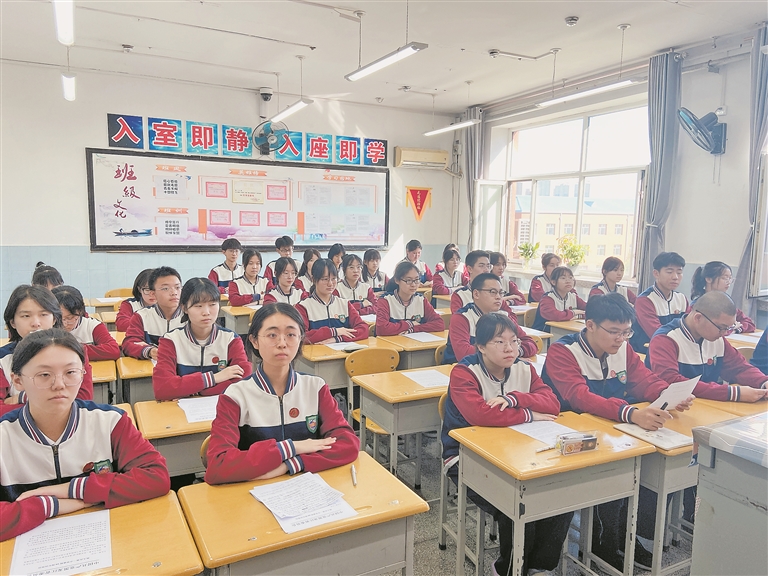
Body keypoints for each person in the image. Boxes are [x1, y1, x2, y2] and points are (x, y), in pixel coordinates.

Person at [542, 293, 693, 570]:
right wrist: (631, 413)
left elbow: (643, 379)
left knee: (648, 467)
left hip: (610, 426)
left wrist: (667, 393)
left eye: (626, 332)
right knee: (614, 476)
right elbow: (579, 397)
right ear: (590, 325)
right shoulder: (563, 351)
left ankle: (625, 537)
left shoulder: (623, 349)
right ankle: (603, 545)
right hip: (565, 435)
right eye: (614, 332)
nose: (621, 339)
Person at [0, 329, 170, 542]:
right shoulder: (4, 436)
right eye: (44, 375)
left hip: (105, 541)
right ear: (17, 381)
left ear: (83, 374)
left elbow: (156, 477)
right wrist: (48, 505)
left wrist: (72, 490)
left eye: (70, 372)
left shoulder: (110, 421)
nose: (59, 384)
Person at [441, 313, 571, 576]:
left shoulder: (524, 368)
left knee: (560, 495)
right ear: (480, 346)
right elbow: (480, 415)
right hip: (466, 457)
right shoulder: (465, 372)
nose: (510, 348)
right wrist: (529, 414)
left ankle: (539, 566)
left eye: (514, 341)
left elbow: (552, 404)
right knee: (516, 504)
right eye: (499, 342)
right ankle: (508, 569)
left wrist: (515, 399)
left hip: (518, 453)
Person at [204, 303, 360, 484]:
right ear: (254, 340)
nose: (282, 343)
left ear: (301, 339)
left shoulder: (315, 387)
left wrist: (292, 464)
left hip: (308, 487)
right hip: (253, 490)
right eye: (272, 335)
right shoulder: (236, 396)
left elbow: (348, 444)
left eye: (291, 335)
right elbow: (218, 465)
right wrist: (291, 448)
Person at [647, 291, 768, 402]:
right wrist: (731, 393)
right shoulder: (666, 339)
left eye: (729, 328)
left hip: (705, 404)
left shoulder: (716, 338)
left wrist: (763, 381)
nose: (724, 333)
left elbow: (739, 367)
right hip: (669, 408)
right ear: (698, 318)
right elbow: (673, 382)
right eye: (722, 327)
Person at [1, 285, 94, 416]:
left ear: (54, 319)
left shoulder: (74, 351)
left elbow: (82, 401)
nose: (36, 323)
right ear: (12, 322)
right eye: (26, 316)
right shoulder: (2, 359)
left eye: (43, 314)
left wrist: (23, 398)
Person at [153, 278, 251, 401]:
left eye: (212, 304)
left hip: (220, 406)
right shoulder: (170, 341)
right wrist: (214, 378)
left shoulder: (230, 339)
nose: (206, 312)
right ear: (184, 308)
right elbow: (162, 388)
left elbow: (243, 381)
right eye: (198, 306)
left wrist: (195, 391)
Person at [445, 273, 538, 363]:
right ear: (476, 294)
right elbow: (464, 353)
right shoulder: (462, 317)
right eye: (493, 292)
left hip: (499, 368)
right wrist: (506, 355)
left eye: (501, 293)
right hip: (463, 368)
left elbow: (531, 343)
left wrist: (515, 354)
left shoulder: (504, 316)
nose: (498, 297)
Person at [296, 259, 369, 344]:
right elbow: (301, 336)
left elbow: (363, 329)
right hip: (317, 352)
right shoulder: (303, 307)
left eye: (334, 279)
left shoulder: (344, 304)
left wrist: (338, 338)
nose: (330, 284)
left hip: (343, 351)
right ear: (314, 280)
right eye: (325, 279)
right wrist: (334, 332)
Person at [121, 267, 185, 360]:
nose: (174, 292)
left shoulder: (190, 315)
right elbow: (129, 344)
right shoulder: (141, 316)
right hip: (152, 366)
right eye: (165, 288)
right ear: (153, 294)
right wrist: (150, 351)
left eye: (177, 287)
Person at [630, 251, 688, 351]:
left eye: (679, 272)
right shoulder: (645, 300)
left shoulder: (681, 298)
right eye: (669, 272)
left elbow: (689, 328)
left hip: (675, 350)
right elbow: (657, 333)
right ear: (656, 273)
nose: (675, 277)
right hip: (647, 352)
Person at [375, 261, 444, 336]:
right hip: (391, 342)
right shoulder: (386, 300)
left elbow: (439, 324)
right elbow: (382, 329)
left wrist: (413, 329)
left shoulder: (421, 300)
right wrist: (410, 324)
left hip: (415, 342)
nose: (413, 285)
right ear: (397, 280)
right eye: (408, 280)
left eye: (416, 280)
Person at [52, 285, 120, 361]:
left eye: (70, 318)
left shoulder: (92, 326)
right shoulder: (47, 327)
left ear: (80, 311)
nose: (64, 324)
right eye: (59, 318)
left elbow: (113, 350)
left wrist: (73, 348)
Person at [689, 261, 756, 333]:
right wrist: (731, 329)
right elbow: (707, 331)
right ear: (708, 279)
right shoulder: (697, 305)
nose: (728, 282)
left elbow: (750, 323)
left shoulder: (725, 303)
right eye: (724, 278)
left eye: (730, 278)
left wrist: (737, 329)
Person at [531, 266, 587, 331]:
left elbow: (589, 310)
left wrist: (578, 315)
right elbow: (555, 315)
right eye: (563, 278)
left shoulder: (573, 296)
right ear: (553, 282)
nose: (568, 281)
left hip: (566, 329)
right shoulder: (547, 298)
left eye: (570, 278)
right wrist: (573, 313)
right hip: (546, 333)